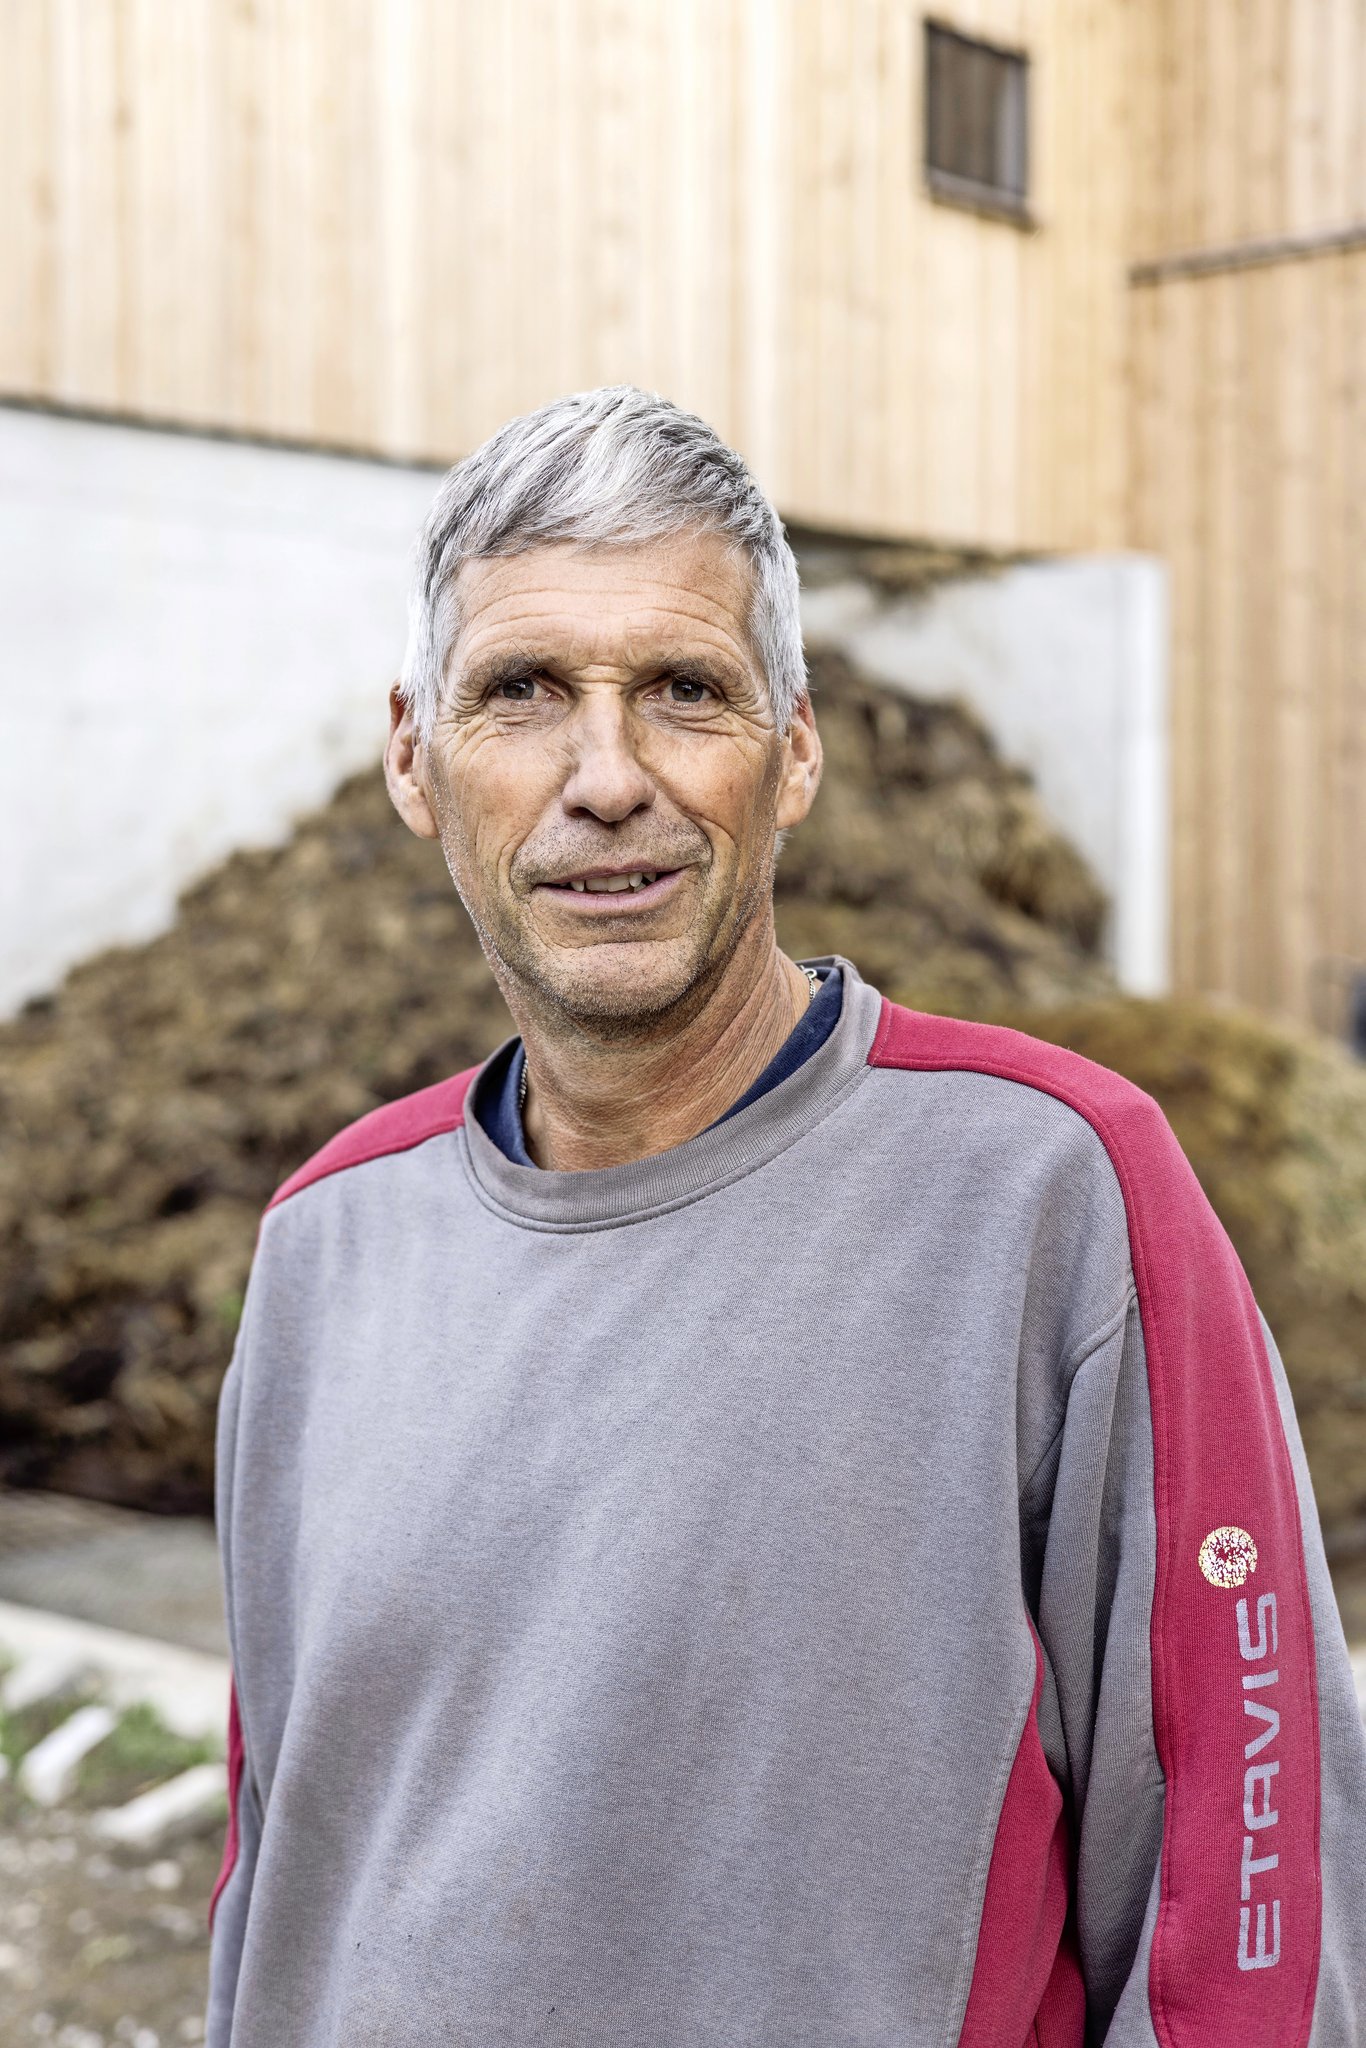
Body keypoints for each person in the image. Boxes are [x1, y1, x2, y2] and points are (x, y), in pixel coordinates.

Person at [206, 387, 1366, 2047]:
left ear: (795, 750)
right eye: (522, 692)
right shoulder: (327, 1246)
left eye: (684, 691)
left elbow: (1247, 1903)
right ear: (413, 757)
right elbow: (279, 1856)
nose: (606, 778)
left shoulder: (1046, 1192)